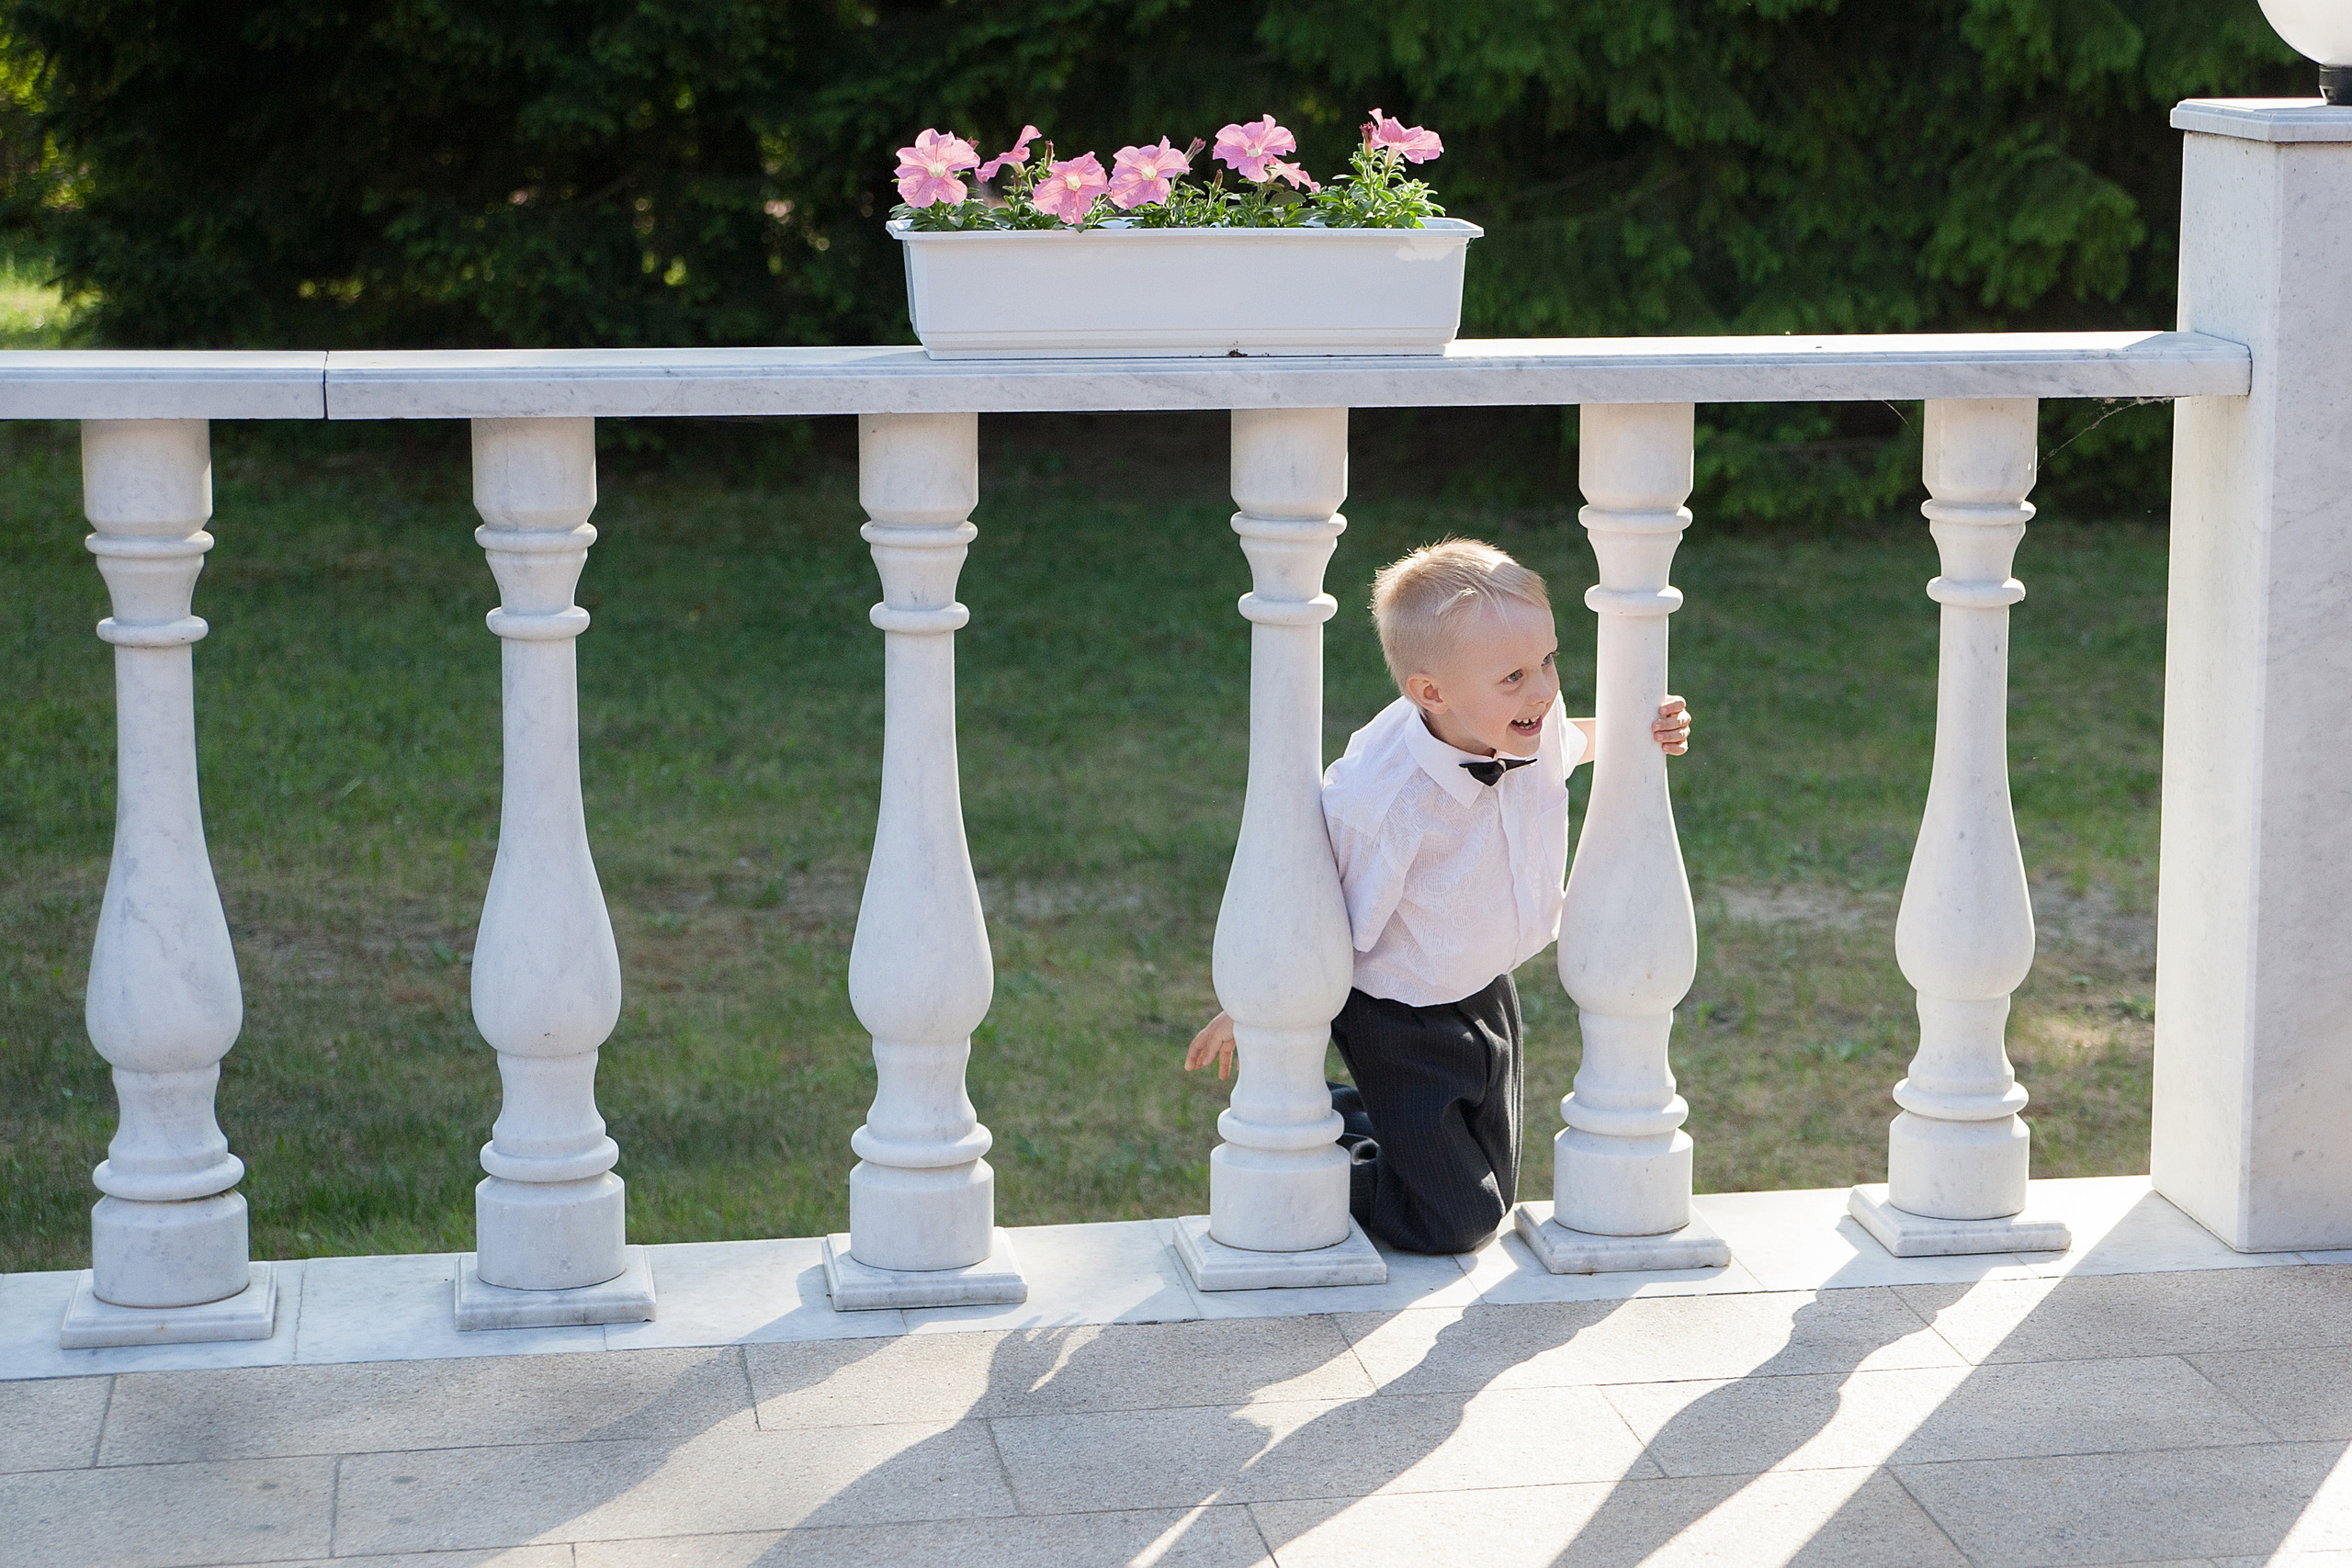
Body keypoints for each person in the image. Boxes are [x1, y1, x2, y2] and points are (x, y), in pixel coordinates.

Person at [1184, 537, 1692, 1254]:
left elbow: (1566, 746)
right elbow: (1316, 899)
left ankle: (1369, 1120)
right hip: (1397, 1010)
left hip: (1485, 986)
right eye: (1514, 675)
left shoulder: (1525, 719)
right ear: (1431, 692)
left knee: (1494, 1180)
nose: (1543, 689)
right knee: (1458, 1219)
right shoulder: (1384, 800)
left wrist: (1638, 733)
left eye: (1548, 659)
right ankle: (1316, 1151)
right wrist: (1256, 1003)